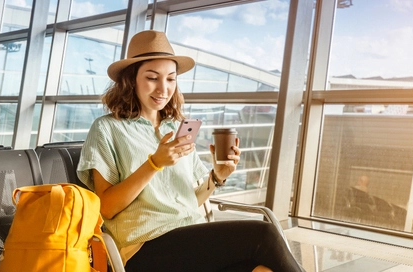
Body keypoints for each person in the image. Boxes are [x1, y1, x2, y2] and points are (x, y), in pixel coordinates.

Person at [77, 30, 303, 272]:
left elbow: (188, 201)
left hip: (189, 238)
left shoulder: (176, 128)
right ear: (131, 79)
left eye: (171, 79)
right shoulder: (107, 129)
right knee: (263, 234)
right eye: (152, 78)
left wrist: (217, 177)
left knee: (260, 269)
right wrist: (154, 164)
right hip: (144, 248)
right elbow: (107, 207)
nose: (163, 89)